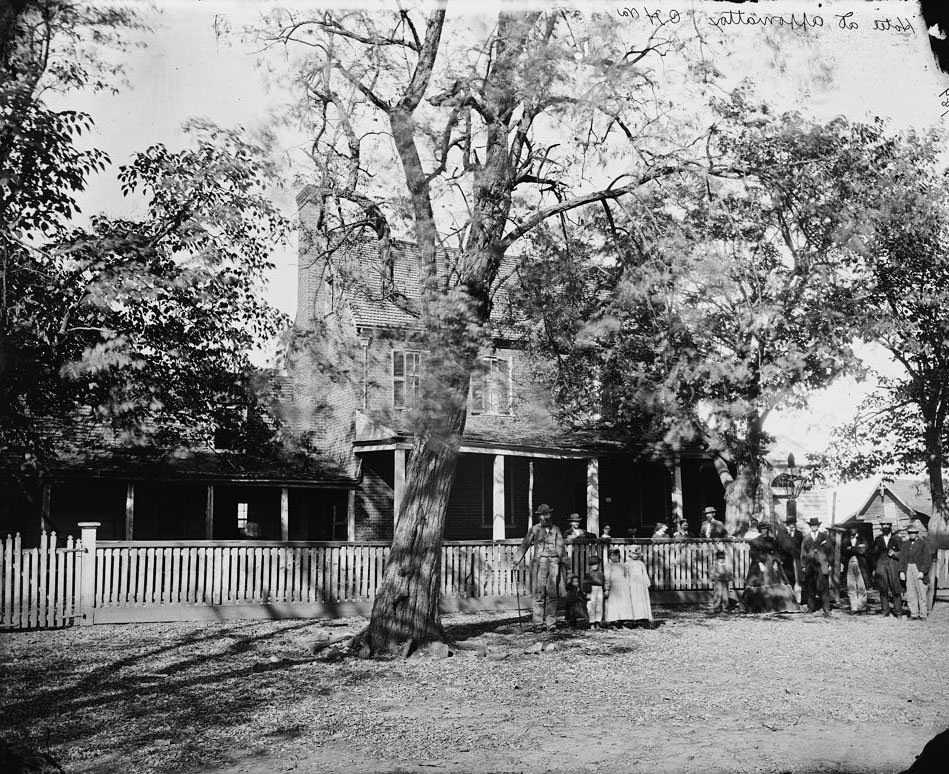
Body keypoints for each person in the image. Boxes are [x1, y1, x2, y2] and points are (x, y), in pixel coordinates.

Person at [513, 503, 566, 632]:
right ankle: (537, 624)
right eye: (542, 515)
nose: (544, 517)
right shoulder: (535, 529)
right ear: (539, 516)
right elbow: (525, 544)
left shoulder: (556, 529)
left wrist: (566, 564)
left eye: (547, 514)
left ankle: (551, 623)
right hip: (540, 563)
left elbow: (561, 548)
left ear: (550, 514)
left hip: (554, 562)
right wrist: (515, 561)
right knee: (539, 594)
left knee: (552, 594)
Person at [741, 522, 800, 613]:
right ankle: (758, 607)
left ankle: (778, 606)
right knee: (758, 583)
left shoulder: (772, 540)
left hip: (771, 563)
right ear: (759, 530)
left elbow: (776, 552)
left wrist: (776, 561)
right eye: (762, 529)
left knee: (778, 582)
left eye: (766, 529)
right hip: (759, 564)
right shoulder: (755, 541)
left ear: (767, 530)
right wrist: (759, 563)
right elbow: (753, 554)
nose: (764, 531)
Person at [800, 517, 834, 615]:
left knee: (824, 587)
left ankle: (826, 608)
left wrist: (830, 564)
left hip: (822, 565)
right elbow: (803, 552)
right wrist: (803, 565)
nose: (813, 527)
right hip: (810, 565)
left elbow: (830, 551)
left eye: (815, 525)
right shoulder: (806, 537)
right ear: (810, 526)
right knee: (810, 586)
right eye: (812, 525)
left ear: (818, 526)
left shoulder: (824, 537)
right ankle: (811, 607)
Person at [900, 525, 932, 621]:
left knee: (921, 591)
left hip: (918, 568)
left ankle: (923, 614)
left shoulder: (923, 543)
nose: (912, 534)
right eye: (910, 532)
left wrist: (923, 571)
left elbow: (927, 559)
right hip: (908, 568)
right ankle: (914, 613)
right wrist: (901, 571)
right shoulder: (905, 544)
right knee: (910, 592)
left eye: (914, 532)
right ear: (908, 533)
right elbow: (902, 559)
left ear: (917, 533)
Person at [872, 522, 903, 618]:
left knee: (895, 589)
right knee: (883, 589)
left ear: (890, 526)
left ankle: (898, 612)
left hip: (893, 565)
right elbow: (873, 555)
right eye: (883, 525)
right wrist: (874, 568)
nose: (885, 527)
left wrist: (895, 553)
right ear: (881, 527)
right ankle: (885, 611)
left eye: (887, 525)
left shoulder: (897, 538)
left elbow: (903, 553)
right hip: (881, 565)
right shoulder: (878, 539)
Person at [842, 527, 870, 613]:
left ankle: (861, 606)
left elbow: (863, 551)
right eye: (851, 529)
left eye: (854, 528)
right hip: (849, 564)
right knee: (851, 586)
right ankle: (854, 607)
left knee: (861, 586)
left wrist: (851, 549)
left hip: (860, 564)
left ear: (857, 530)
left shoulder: (862, 539)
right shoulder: (846, 539)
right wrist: (856, 549)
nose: (852, 530)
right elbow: (843, 551)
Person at [604, 548, 634, 627]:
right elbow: (607, 577)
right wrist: (607, 588)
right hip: (613, 587)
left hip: (622, 586)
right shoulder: (608, 566)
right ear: (609, 557)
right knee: (614, 603)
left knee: (622, 603)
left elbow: (626, 575)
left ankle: (622, 620)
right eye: (612, 555)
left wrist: (628, 585)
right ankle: (613, 621)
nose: (614, 557)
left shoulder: (622, 565)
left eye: (616, 555)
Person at [776, 514, 804, 596]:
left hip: (797, 559)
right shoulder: (781, 535)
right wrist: (779, 559)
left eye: (793, 523)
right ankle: (788, 598)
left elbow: (802, 547)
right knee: (787, 579)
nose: (791, 525)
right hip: (785, 560)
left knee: (797, 579)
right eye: (789, 523)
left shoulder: (799, 534)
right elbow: (777, 547)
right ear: (787, 524)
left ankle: (798, 599)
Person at [626, 546, 653, 624]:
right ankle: (634, 617)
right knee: (634, 600)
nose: (635, 555)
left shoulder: (641, 563)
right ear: (630, 554)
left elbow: (644, 573)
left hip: (641, 584)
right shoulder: (627, 564)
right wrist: (627, 584)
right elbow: (626, 575)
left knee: (642, 600)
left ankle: (642, 617)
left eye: (636, 554)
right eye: (633, 554)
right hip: (632, 585)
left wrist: (647, 581)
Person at [583, 555, 606, 628]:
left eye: (596, 564)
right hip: (591, 590)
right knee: (591, 606)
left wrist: (605, 590)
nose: (594, 566)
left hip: (599, 590)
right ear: (590, 566)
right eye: (592, 564)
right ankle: (592, 623)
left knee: (599, 606)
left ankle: (598, 622)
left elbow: (604, 583)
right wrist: (587, 593)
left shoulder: (601, 574)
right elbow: (585, 584)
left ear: (598, 564)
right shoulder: (588, 574)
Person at [710, 549, 733, 613]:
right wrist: (713, 579)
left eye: (722, 558)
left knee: (725, 595)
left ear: (724, 558)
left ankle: (725, 608)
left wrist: (729, 578)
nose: (721, 559)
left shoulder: (727, 566)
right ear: (717, 558)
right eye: (720, 558)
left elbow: (730, 574)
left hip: (725, 582)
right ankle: (716, 608)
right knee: (717, 594)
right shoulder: (715, 566)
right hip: (718, 582)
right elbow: (712, 573)